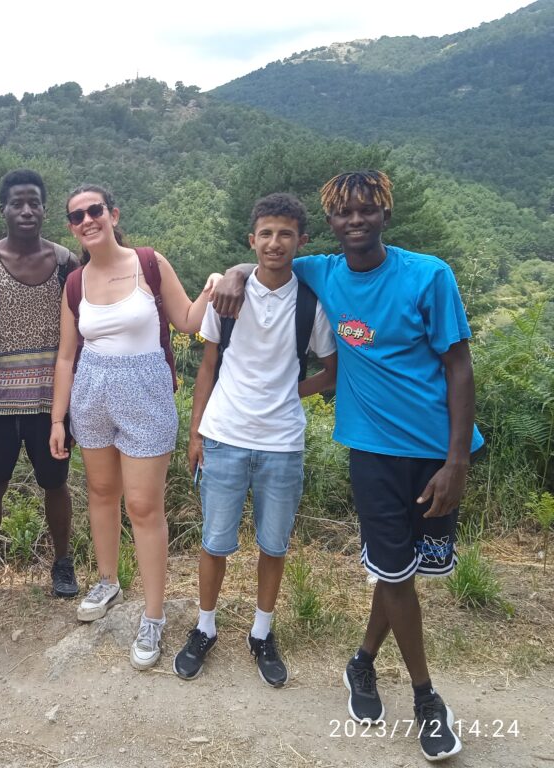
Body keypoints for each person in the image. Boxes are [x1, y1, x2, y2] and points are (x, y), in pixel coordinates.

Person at [213, 171, 482, 762]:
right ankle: (426, 699)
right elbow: (259, 264)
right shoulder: (323, 272)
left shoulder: (428, 276)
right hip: (371, 452)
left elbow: (459, 366)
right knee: (395, 572)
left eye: (367, 211)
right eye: (343, 214)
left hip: (435, 454)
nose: (354, 221)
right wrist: (229, 273)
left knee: (401, 573)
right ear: (330, 224)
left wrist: (457, 461)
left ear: (386, 213)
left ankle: (361, 662)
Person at [172, 193, 337, 686]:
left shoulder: (311, 303)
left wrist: (291, 391)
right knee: (215, 541)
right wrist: (197, 432)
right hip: (223, 435)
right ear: (252, 240)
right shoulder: (227, 296)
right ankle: (205, 627)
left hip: (283, 441)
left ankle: (262, 632)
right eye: (265, 233)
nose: (274, 242)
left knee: (273, 543)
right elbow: (207, 368)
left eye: (285, 234)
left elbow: (330, 371)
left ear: (301, 242)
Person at [49, 183, 212, 670]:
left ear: (114, 214)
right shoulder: (75, 283)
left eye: (95, 210)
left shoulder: (149, 263)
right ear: (72, 227)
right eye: (77, 216)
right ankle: (108, 580)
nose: (87, 220)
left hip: (146, 391)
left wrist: (217, 282)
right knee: (101, 492)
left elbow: (186, 321)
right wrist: (58, 419)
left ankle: (154, 615)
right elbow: (65, 356)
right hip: (91, 394)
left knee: (144, 506)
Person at [0, 169, 80, 605]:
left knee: (55, 483)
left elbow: (81, 328)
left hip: (51, 398)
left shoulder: (65, 263)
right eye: (17, 203)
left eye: (35, 203)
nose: (27, 211)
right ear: (2, 209)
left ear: (45, 208)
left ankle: (63, 564)